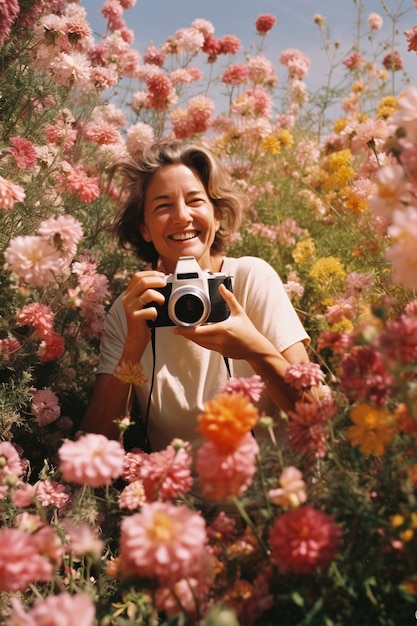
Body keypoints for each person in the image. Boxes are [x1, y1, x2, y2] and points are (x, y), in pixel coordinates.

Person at [81, 139, 311, 456]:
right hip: (179, 501)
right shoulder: (132, 308)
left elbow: (316, 410)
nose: (181, 216)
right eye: (162, 206)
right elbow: (92, 445)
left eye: (195, 201)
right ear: (144, 229)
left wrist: (254, 350)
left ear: (216, 216)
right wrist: (133, 349)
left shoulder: (248, 279)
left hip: (275, 497)